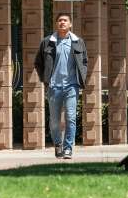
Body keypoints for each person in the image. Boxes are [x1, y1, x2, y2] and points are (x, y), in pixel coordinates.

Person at [34, 11, 88, 159]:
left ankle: (68, 148)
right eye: (60, 20)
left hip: (72, 85)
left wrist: (81, 76)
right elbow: (38, 63)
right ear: (56, 24)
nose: (62, 22)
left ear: (70, 24)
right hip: (54, 86)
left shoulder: (78, 42)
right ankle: (58, 144)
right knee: (54, 121)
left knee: (71, 118)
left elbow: (84, 61)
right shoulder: (47, 42)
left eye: (65, 20)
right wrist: (45, 78)